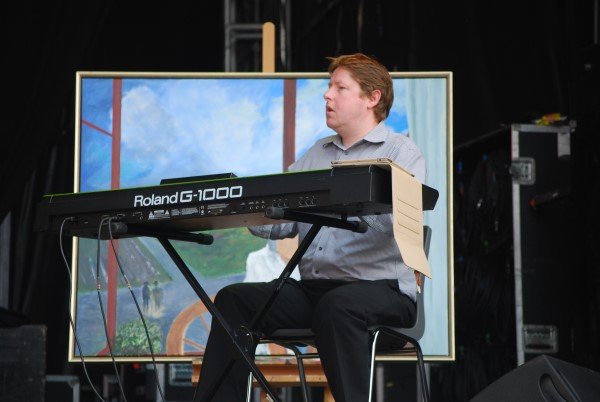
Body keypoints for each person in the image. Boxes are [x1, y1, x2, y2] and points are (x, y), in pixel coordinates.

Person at [196, 53, 426, 402]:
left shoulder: (402, 153)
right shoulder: (317, 154)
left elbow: (399, 222)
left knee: (338, 306)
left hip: (384, 292)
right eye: (329, 86)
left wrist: (341, 201)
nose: (327, 95)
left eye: (340, 88)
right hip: (315, 293)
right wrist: (243, 208)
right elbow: (285, 221)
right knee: (233, 300)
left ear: (372, 97)